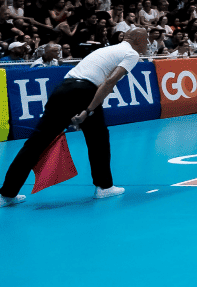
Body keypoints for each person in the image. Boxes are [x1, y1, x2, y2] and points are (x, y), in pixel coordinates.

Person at [1, 28, 149, 207]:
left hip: (63, 88)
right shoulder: (131, 53)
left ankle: (6, 194)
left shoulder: (106, 49)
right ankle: (104, 187)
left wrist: (76, 112)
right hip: (84, 91)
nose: (148, 43)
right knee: (98, 139)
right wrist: (87, 111)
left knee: (35, 144)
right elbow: (109, 82)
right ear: (137, 40)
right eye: (146, 39)